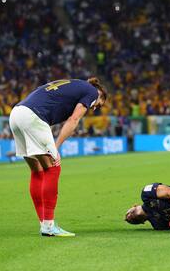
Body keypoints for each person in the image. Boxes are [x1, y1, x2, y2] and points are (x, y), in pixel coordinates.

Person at [9, 78, 107, 237]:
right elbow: (73, 120)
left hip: (16, 114)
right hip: (33, 116)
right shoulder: (91, 92)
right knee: (53, 167)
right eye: (99, 104)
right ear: (99, 93)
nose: (95, 108)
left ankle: (44, 223)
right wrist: (56, 146)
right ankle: (48, 226)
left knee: (37, 170)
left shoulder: (72, 83)